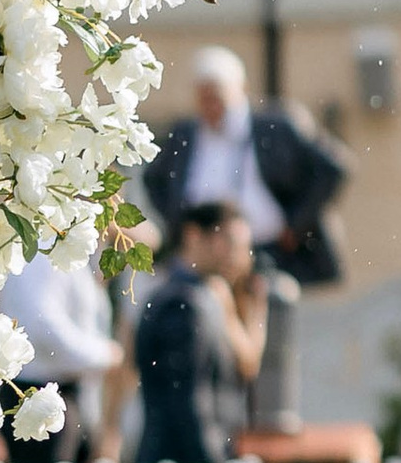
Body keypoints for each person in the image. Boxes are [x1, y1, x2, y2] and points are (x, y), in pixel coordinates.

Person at [139, 47, 350, 288]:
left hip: (272, 251)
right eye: (204, 99)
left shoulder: (274, 126)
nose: (211, 108)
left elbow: (333, 167)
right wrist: (178, 223)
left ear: (241, 90)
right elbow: (153, 178)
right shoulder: (185, 132)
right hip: (205, 258)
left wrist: (297, 223)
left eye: (217, 98)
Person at [119, 200, 266, 463]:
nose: (241, 256)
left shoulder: (204, 295)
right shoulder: (181, 302)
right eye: (230, 242)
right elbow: (186, 399)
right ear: (194, 235)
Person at [0, 244, 115, 463]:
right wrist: (103, 355)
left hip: (68, 393)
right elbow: (43, 326)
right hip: (34, 392)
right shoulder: (42, 250)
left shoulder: (70, 250)